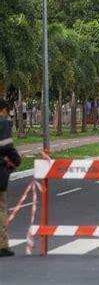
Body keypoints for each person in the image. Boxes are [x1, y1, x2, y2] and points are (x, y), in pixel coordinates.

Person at [0, 99, 21, 257]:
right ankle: (2, 246)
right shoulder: (3, 124)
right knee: (0, 209)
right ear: (4, 110)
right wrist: (16, 161)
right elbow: (7, 147)